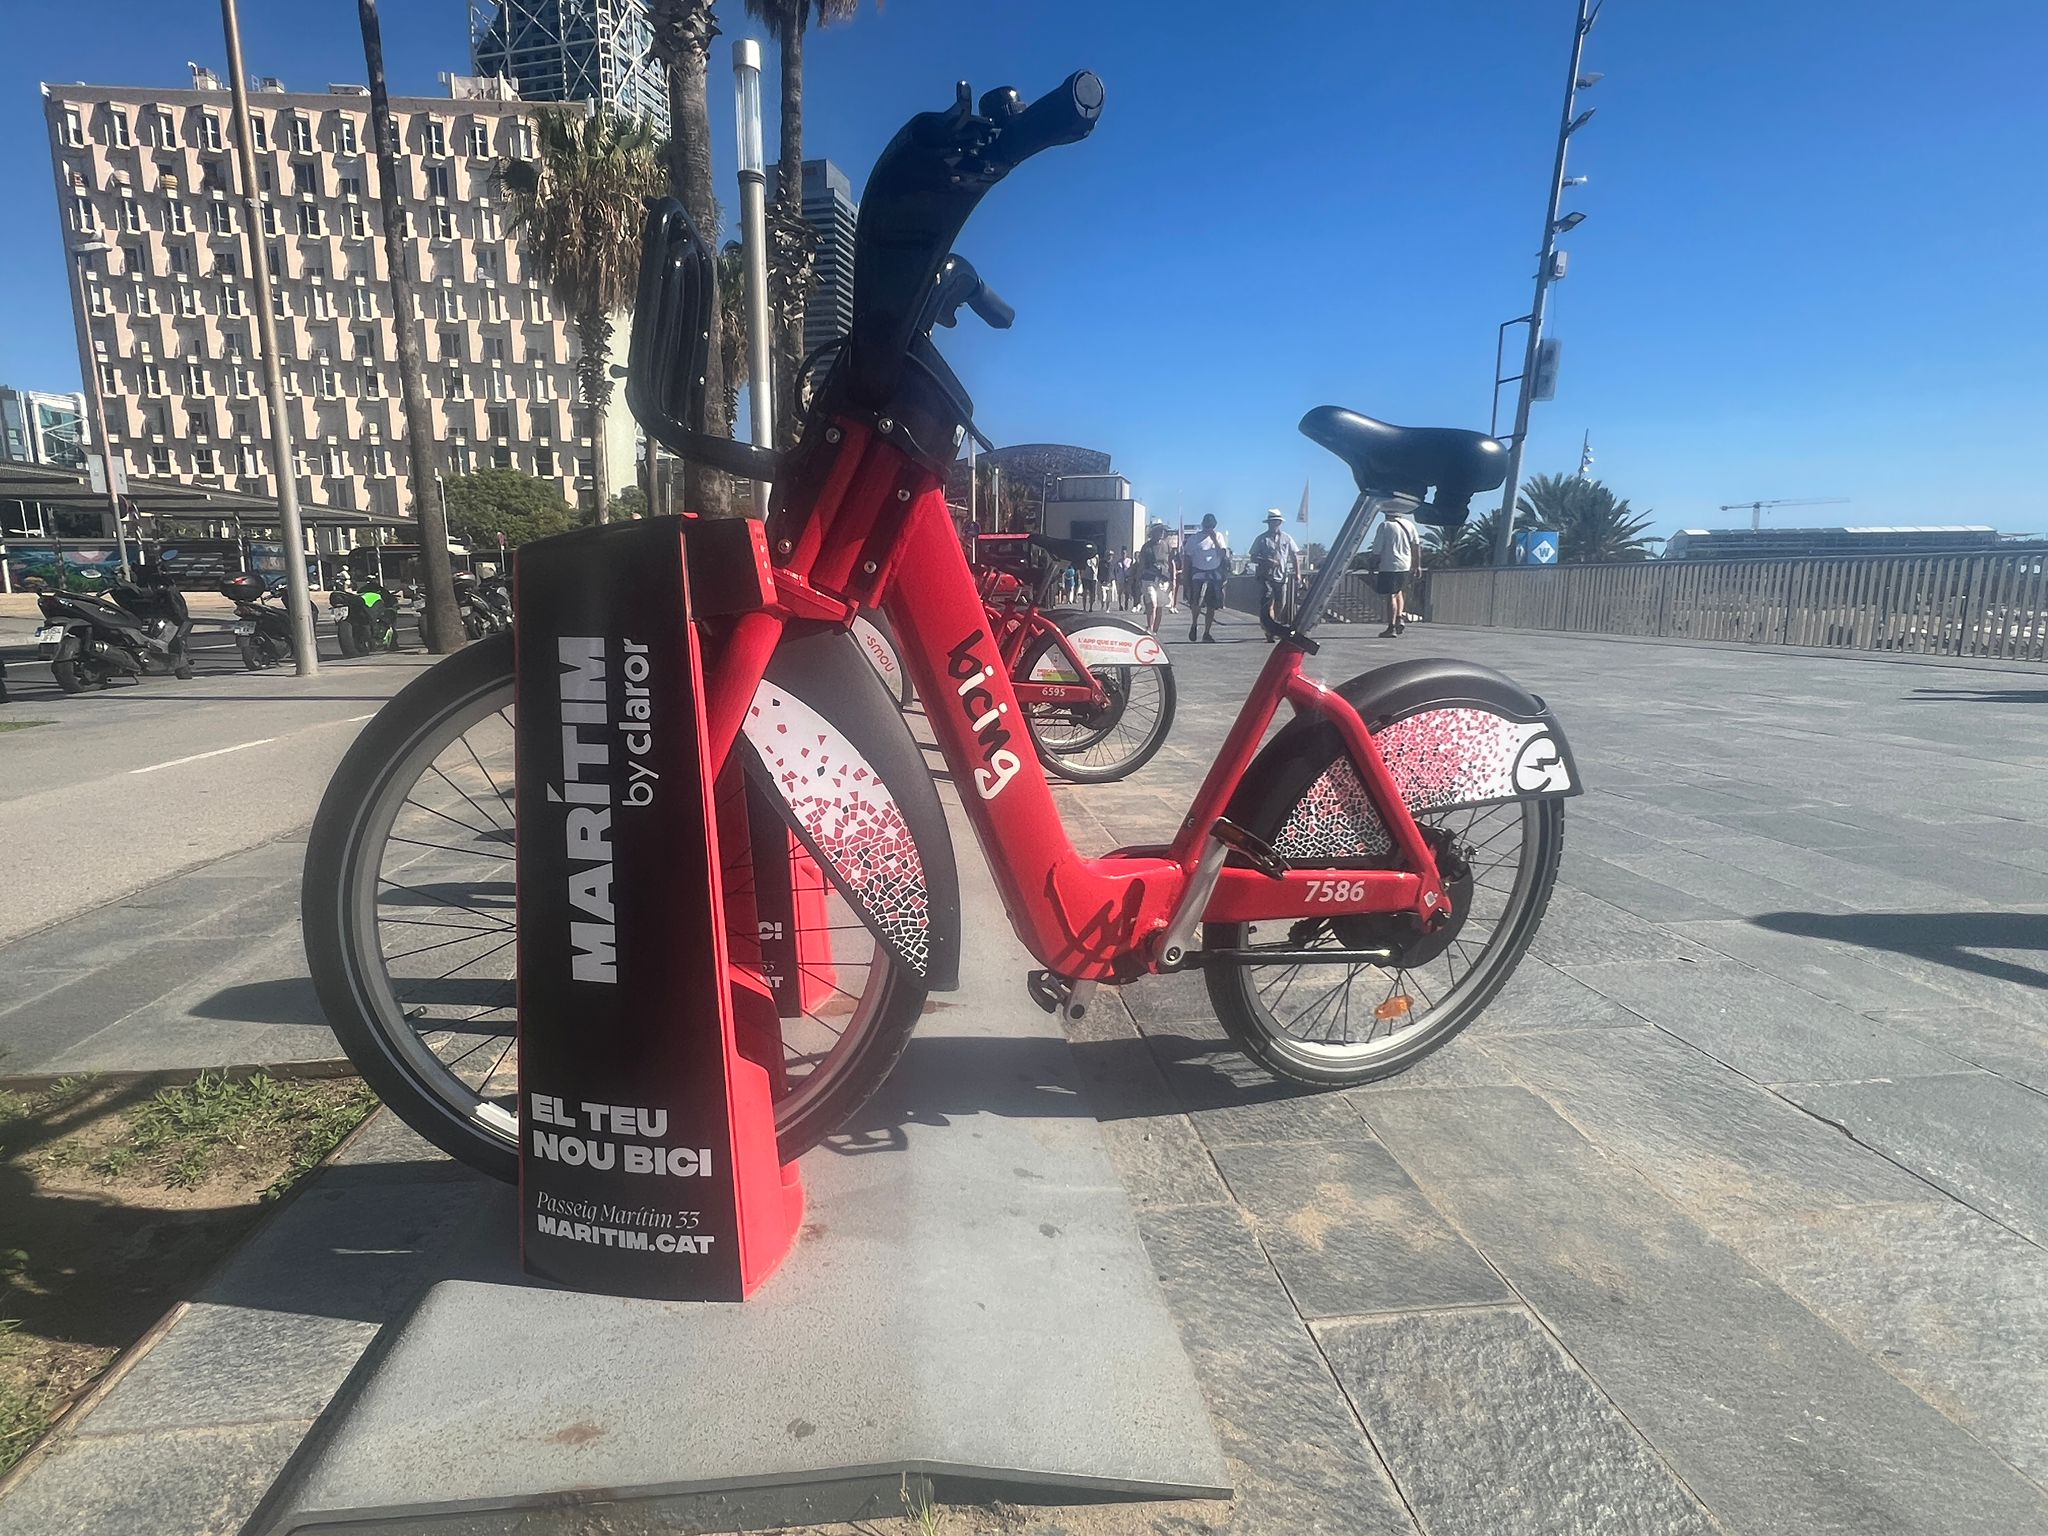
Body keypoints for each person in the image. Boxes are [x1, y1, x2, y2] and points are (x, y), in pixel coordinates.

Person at [1247, 509, 1302, 642]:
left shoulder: (1287, 538)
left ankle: (1272, 625)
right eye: (1272, 522)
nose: (1275, 524)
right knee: (1268, 603)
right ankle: (1270, 630)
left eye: (1277, 522)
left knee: (1280, 603)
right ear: (1269, 523)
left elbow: (1294, 555)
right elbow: (1253, 557)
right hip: (1266, 576)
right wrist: (1266, 561)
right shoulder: (1261, 539)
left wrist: (1298, 574)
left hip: (1282, 576)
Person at [1370, 502, 1420, 638]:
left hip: (1389, 565)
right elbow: (1416, 546)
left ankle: (1391, 627)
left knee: (1390, 595)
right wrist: (1417, 565)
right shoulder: (1409, 525)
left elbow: (1377, 549)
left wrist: (1372, 565)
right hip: (1405, 564)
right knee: (1398, 591)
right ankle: (1399, 618)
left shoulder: (1384, 526)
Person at [1182, 512, 1231, 642]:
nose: (1209, 527)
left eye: (1211, 525)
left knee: (1211, 605)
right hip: (1198, 573)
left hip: (1214, 574)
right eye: (1207, 525)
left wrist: (1215, 540)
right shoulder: (1194, 538)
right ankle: (1194, 624)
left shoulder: (1219, 536)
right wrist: (1185, 576)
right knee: (1196, 602)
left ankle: (1207, 632)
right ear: (1203, 525)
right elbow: (1187, 557)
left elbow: (1223, 555)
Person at [1135, 521, 1175, 634]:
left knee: (1159, 606)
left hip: (1163, 578)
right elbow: (1141, 564)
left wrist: (1173, 579)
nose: (1161, 533)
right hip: (1148, 578)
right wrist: (1138, 579)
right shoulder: (1146, 547)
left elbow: (1171, 562)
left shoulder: (1167, 546)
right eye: (1159, 530)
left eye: (1162, 531)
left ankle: (1155, 631)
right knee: (1152, 603)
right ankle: (1150, 627)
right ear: (1153, 532)